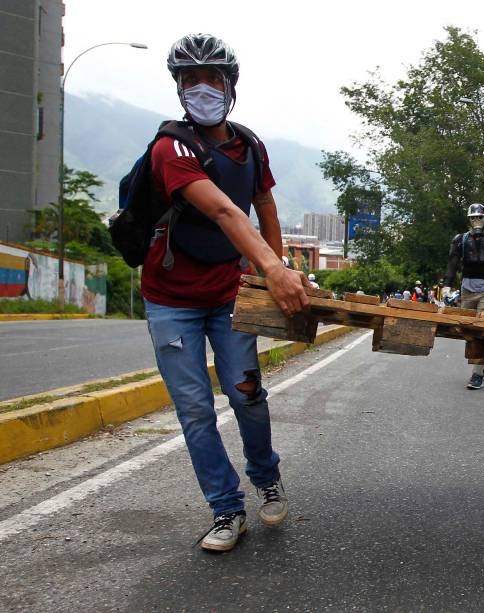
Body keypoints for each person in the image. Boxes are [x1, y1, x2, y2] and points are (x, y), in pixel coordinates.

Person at [142, 34, 310, 553]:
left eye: (213, 77)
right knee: (194, 409)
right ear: (178, 86)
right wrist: (273, 270)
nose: (202, 88)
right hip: (170, 297)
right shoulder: (170, 148)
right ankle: (225, 509)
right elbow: (222, 211)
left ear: (230, 85)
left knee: (246, 394)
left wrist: (271, 272)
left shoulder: (249, 145)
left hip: (230, 292)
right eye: (190, 78)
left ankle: (267, 477)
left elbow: (265, 207)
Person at [444, 203, 484, 390]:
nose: (476, 220)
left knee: (481, 329)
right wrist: (447, 285)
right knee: (469, 331)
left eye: (479, 217)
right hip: (467, 287)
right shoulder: (460, 240)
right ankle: (479, 366)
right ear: (469, 219)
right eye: (473, 217)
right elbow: (452, 263)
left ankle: (477, 373)